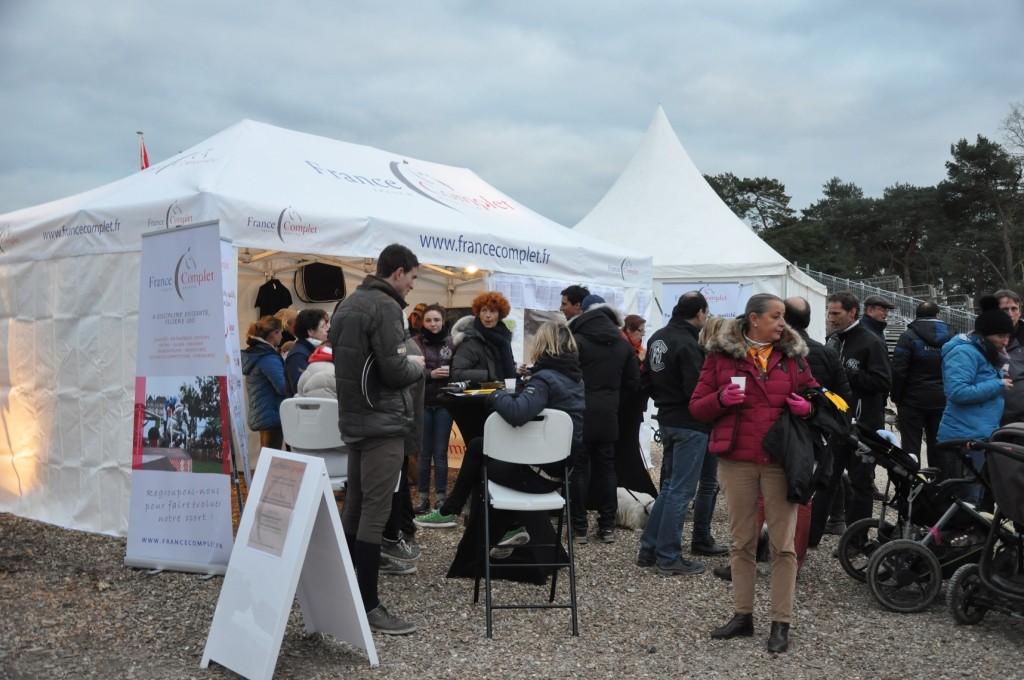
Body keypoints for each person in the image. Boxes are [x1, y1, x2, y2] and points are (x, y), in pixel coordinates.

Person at [690, 294, 819, 654]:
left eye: (784, 318)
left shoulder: (794, 356)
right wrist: (720, 400)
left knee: (783, 546)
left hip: (781, 462)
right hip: (737, 461)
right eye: (776, 317)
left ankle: (781, 623)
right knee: (742, 542)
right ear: (754, 319)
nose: (783, 323)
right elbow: (696, 407)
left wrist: (808, 407)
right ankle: (742, 616)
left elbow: (820, 399)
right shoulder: (720, 356)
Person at [415, 321, 584, 546]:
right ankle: (481, 519)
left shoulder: (545, 380)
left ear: (543, 345)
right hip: (559, 473)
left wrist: (495, 394)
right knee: (478, 445)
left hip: (535, 476)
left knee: (479, 454)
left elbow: (516, 413)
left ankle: (477, 520)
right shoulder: (575, 379)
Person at [330, 243, 425, 635]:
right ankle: (368, 605)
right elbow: (392, 370)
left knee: (355, 505)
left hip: (355, 420)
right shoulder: (386, 307)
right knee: (375, 511)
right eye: (412, 279)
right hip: (383, 422)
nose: (411, 288)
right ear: (399, 272)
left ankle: (346, 592)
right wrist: (418, 366)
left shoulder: (348, 305)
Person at [296, 342, 423, 575]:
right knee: (386, 476)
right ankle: (385, 543)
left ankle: (359, 559)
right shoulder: (334, 376)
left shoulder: (311, 372)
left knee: (370, 488)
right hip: (335, 457)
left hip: (311, 456)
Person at [636, 292, 713, 576]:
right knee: (680, 491)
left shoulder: (658, 337)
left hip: (667, 417)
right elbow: (696, 390)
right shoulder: (689, 342)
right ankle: (668, 555)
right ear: (701, 313)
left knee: (670, 488)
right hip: (689, 422)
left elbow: (645, 378)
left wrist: (663, 400)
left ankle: (649, 548)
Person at [568, 294, 640, 544]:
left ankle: (579, 529)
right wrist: (614, 402)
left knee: (578, 470)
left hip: (579, 412)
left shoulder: (576, 340)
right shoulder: (622, 344)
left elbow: (566, 376)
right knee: (606, 470)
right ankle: (607, 526)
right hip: (609, 413)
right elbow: (633, 382)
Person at [784, 297, 853, 555]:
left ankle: (770, 551)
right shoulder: (827, 353)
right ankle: (797, 552)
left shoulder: (775, 353)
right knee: (804, 494)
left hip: (780, 434)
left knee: (766, 497)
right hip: (815, 435)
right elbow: (843, 401)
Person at [937, 295, 1014, 505]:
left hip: (980, 435)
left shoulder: (985, 351)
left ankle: (977, 537)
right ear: (985, 334)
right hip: (963, 438)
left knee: (980, 500)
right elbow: (958, 392)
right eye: (1001, 336)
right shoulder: (964, 352)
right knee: (967, 501)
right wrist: (998, 385)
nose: (1005, 341)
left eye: (1008, 336)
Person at [825, 290, 891, 529]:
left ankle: (857, 538)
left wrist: (847, 373)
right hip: (836, 422)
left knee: (860, 482)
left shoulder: (871, 340)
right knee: (826, 478)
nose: (831, 318)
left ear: (852, 312)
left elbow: (884, 382)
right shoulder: (835, 339)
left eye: (836, 313)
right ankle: (811, 537)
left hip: (863, 425)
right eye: (829, 312)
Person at [890, 301, 953, 476]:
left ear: (917, 316)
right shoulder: (952, 336)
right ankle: (939, 492)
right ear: (938, 315)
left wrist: (896, 396)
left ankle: (911, 492)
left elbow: (898, 370)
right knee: (939, 446)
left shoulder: (908, 336)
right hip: (942, 400)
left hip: (912, 400)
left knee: (910, 448)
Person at [413, 304, 455, 513]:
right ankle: (422, 498)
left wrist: (452, 372)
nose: (432, 324)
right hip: (422, 403)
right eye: (428, 320)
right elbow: (408, 371)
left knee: (440, 453)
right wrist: (430, 374)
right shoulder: (415, 343)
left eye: (436, 320)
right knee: (423, 453)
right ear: (422, 322)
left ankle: (440, 497)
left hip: (444, 404)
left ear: (443, 320)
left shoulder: (452, 342)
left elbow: (460, 369)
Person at [614, 314, 657, 498]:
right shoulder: (625, 348)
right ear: (629, 330)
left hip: (634, 406)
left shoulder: (638, 349)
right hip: (626, 407)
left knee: (628, 447)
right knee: (627, 448)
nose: (642, 336)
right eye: (641, 331)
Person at [449, 292, 517, 384]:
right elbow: (457, 374)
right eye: (484, 310)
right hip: (479, 396)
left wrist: (516, 370)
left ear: (500, 314)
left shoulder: (503, 338)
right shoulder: (470, 339)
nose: (488, 315)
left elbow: (506, 368)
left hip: (502, 394)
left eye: (493, 311)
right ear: (478, 313)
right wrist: (488, 375)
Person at [241, 315, 287, 450]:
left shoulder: (258, 355)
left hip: (264, 412)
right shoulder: (268, 358)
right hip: (271, 414)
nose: (282, 337)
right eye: (281, 333)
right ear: (274, 334)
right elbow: (283, 386)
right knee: (269, 459)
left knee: (267, 457)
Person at [284, 309, 330, 397]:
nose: (327, 329)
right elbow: (300, 389)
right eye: (323, 326)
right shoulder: (297, 356)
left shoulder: (315, 349)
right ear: (310, 332)